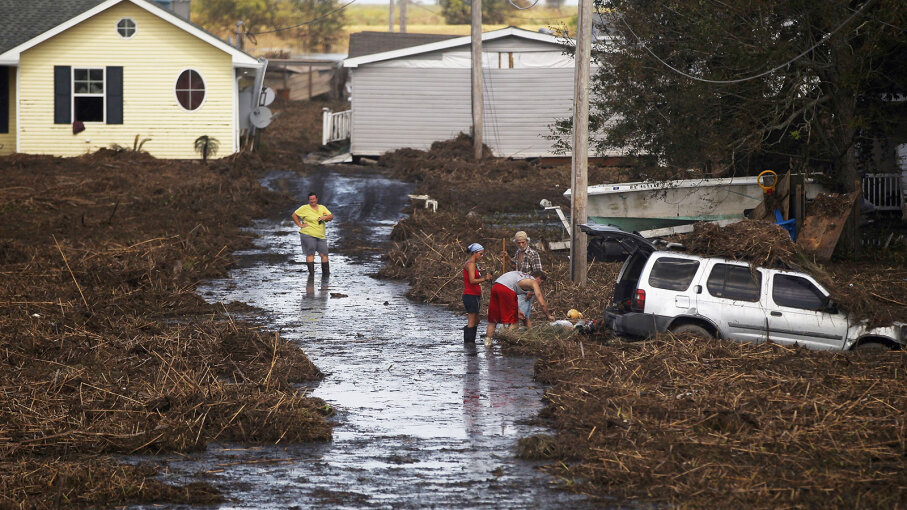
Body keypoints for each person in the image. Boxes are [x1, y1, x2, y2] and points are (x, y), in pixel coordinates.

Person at [486, 270, 554, 342]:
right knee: (514, 321)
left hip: (496, 286)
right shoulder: (533, 282)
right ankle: (509, 343)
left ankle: (487, 344)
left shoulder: (522, 275)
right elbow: (542, 303)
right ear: (538, 278)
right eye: (541, 282)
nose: (540, 285)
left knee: (493, 321)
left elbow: (511, 298)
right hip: (506, 289)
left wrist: (518, 310)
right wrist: (548, 315)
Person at [501, 231, 543, 328]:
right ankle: (530, 335)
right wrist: (507, 258)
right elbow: (515, 267)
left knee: (519, 315)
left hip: (527, 289)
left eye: (523, 242)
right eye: (518, 243)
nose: (521, 244)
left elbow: (539, 275)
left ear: (527, 241)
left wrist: (532, 291)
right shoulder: (518, 253)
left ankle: (510, 333)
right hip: (518, 288)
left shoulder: (533, 254)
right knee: (524, 316)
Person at [292, 192, 333, 275]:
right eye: (310, 199)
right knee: (311, 254)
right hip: (308, 234)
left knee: (324, 255)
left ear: (317, 199)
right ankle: (312, 275)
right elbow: (294, 215)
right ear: (308, 200)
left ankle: (326, 274)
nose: (312, 201)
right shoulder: (304, 208)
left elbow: (331, 216)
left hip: (321, 235)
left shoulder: (322, 207)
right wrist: (300, 224)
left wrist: (325, 217)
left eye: (313, 199)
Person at [462, 243, 493, 343]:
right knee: (472, 320)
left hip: (475, 295)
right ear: (474, 253)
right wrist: (485, 278)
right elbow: (472, 280)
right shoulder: (470, 264)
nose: (482, 256)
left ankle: (469, 339)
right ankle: (469, 343)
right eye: (480, 254)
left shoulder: (474, 264)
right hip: (470, 295)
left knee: (477, 320)